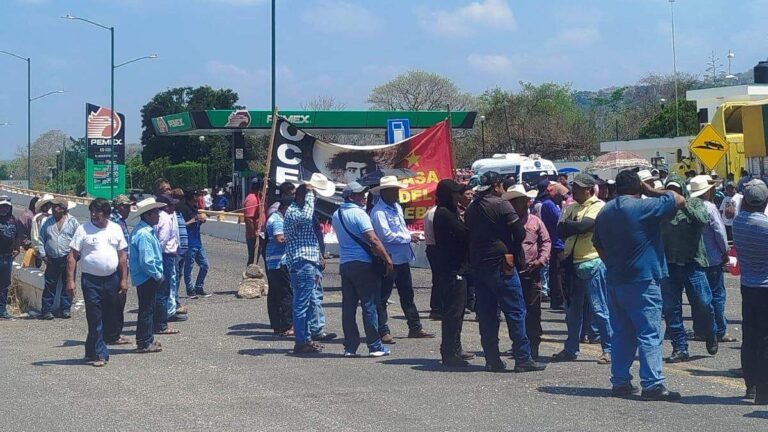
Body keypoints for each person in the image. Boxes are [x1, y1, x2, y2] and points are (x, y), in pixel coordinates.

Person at [593, 170, 685, 401]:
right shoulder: (643, 207)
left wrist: (613, 264)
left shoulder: (605, 211)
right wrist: (651, 190)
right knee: (649, 332)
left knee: (622, 333)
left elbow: (598, 244)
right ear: (638, 187)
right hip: (643, 280)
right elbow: (679, 199)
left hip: (616, 279)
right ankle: (652, 384)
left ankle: (620, 381)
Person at [465, 172, 547, 373]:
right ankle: (523, 358)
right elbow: (519, 233)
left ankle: (492, 359)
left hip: (479, 265)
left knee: (487, 315)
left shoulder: (472, 208)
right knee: (516, 312)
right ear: (497, 186)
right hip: (502, 265)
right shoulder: (501, 204)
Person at [552, 174, 613, 364]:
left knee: (600, 309)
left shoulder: (598, 206)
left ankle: (609, 349)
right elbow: (559, 230)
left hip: (593, 261)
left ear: (589, 189)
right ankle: (571, 348)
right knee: (572, 312)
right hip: (572, 263)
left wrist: (571, 225)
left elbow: (585, 226)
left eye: (578, 188)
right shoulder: (572, 207)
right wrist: (574, 225)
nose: (574, 191)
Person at [660, 175, 718, 363]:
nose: (673, 194)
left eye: (676, 190)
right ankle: (680, 347)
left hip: (692, 263)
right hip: (669, 264)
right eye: (670, 190)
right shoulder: (661, 208)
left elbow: (702, 220)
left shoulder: (695, 203)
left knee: (703, 303)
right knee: (671, 308)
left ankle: (710, 331)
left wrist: (683, 205)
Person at [332, 182, 394, 357]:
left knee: (349, 307)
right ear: (351, 196)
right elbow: (373, 239)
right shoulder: (359, 214)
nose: (364, 197)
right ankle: (375, 345)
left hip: (346, 263)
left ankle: (350, 347)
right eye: (360, 194)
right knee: (369, 305)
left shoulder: (336, 214)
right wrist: (387, 259)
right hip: (363, 263)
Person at [66, 198, 129, 367]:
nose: (94, 215)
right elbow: (72, 257)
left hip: (112, 279)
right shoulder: (83, 230)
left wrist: (124, 279)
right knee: (94, 316)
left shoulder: (115, 229)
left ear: (107, 214)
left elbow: (122, 256)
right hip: (91, 281)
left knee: (108, 316)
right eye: (92, 212)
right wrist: (70, 281)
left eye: (98, 212)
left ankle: (90, 350)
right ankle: (101, 354)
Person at [370, 175, 434, 342]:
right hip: (388, 259)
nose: (397, 193)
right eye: (394, 191)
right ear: (385, 192)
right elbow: (386, 235)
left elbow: (401, 229)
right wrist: (408, 237)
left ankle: (415, 327)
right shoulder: (378, 212)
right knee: (383, 297)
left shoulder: (396, 207)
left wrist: (409, 235)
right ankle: (382, 330)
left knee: (407, 294)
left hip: (402, 258)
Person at [284, 173, 336, 354]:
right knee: (302, 304)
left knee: (305, 304)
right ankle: (302, 341)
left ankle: (305, 339)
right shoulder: (295, 211)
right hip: (302, 261)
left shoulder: (295, 210)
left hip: (305, 261)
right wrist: (310, 195)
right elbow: (306, 218)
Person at [732, 179, 768, 404]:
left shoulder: (738, 222)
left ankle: (751, 386)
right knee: (765, 339)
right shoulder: (764, 225)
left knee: (750, 336)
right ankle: (764, 389)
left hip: (748, 284)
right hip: (765, 286)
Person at [433, 180, 476, 366]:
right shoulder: (444, 213)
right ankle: (449, 352)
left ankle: (456, 348)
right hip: (452, 269)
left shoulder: (452, 212)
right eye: (456, 193)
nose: (459, 196)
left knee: (458, 312)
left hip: (459, 267)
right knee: (453, 312)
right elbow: (463, 233)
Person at [504, 184, 549, 359]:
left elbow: (546, 242)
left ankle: (533, 346)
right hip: (513, 272)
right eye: (520, 201)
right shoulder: (506, 223)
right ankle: (518, 345)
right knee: (515, 312)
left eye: (525, 201)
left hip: (532, 272)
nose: (525, 204)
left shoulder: (535, 221)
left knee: (533, 311)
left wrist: (541, 260)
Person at [695, 176, 736, 343]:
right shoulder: (710, 208)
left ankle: (701, 329)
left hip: (695, 258)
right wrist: (725, 251)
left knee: (699, 296)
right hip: (712, 258)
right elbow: (719, 232)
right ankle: (719, 330)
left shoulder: (689, 206)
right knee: (717, 295)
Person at [129, 198, 167, 354]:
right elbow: (147, 261)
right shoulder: (144, 234)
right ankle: (144, 342)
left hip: (145, 276)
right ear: (148, 215)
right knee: (146, 309)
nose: (158, 216)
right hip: (147, 277)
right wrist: (158, 275)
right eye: (156, 213)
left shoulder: (145, 231)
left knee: (148, 308)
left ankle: (147, 338)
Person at [38, 197, 80, 320]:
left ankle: (65, 309)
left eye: (55, 206)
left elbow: (79, 239)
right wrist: (43, 255)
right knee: (49, 284)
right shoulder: (48, 222)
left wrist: (76, 256)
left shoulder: (73, 222)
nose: (53, 208)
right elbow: (41, 239)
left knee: (68, 283)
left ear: (63, 208)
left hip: (68, 258)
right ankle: (46, 310)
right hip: (51, 258)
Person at [154, 194, 185, 334]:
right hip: (166, 255)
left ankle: (163, 317)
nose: (174, 207)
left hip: (166, 255)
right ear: (165, 206)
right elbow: (162, 240)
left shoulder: (159, 217)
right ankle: (162, 322)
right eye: (172, 205)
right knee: (164, 289)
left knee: (164, 288)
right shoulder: (165, 218)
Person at [265, 198, 294, 336]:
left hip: (273, 261)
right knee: (285, 293)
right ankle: (287, 325)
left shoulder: (274, 217)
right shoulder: (278, 220)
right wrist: (295, 237)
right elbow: (280, 239)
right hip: (280, 261)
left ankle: (277, 325)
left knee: (275, 294)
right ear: (286, 208)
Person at [107, 195, 134, 345]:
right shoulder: (115, 221)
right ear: (119, 207)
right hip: (117, 265)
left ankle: (114, 332)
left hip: (120, 264)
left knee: (118, 299)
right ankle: (113, 334)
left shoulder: (120, 220)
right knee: (117, 300)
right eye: (127, 207)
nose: (129, 210)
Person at [538, 180, 567, 310]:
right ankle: (558, 298)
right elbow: (559, 220)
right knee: (557, 272)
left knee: (558, 271)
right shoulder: (548, 205)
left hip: (559, 241)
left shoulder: (553, 204)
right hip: (556, 242)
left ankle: (558, 298)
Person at [180, 192, 210, 299]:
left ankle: (199, 287)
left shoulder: (194, 207)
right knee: (189, 267)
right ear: (192, 197)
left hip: (198, 242)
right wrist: (193, 220)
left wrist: (201, 220)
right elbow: (181, 225)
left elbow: (196, 221)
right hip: (189, 242)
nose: (198, 197)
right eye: (196, 195)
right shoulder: (183, 209)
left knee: (205, 265)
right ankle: (190, 289)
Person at [0, 196, 22, 320]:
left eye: (6, 206)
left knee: (4, 285)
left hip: (7, 257)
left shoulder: (14, 220)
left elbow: (18, 235)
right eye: (2, 206)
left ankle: (2, 311)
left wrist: (17, 248)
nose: (4, 208)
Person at [423, 204, 441, 320]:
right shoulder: (436, 213)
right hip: (437, 247)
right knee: (440, 279)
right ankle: (437, 308)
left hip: (433, 247)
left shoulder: (431, 211)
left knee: (438, 279)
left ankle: (437, 308)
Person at [244, 179, 264, 266]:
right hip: (254, 234)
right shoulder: (252, 199)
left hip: (260, 233)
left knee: (256, 257)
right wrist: (254, 234)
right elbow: (249, 219)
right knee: (253, 259)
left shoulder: (258, 197)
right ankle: (249, 274)